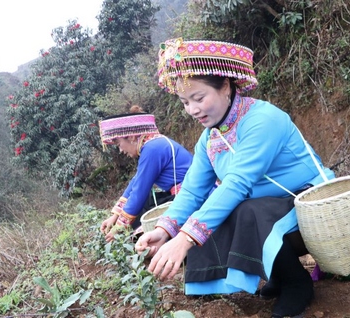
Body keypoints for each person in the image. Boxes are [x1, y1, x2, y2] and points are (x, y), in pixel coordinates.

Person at [134, 38, 335, 318]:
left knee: (243, 207)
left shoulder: (263, 119)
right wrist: (164, 230)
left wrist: (185, 240)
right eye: (184, 102)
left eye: (199, 98)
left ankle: (296, 283)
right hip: (271, 212)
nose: (192, 110)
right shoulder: (209, 138)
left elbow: (238, 183)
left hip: (309, 204)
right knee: (223, 208)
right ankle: (276, 273)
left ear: (226, 87)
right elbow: (192, 192)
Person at [99, 105, 193, 242]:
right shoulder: (152, 145)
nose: (120, 150)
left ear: (131, 137)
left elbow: (139, 191)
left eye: (119, 144)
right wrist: (115, 216)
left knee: (142, 204)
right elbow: (137, 181)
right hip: (184, 192)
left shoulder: (152, 149)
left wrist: (119, 226)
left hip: (189, 195)